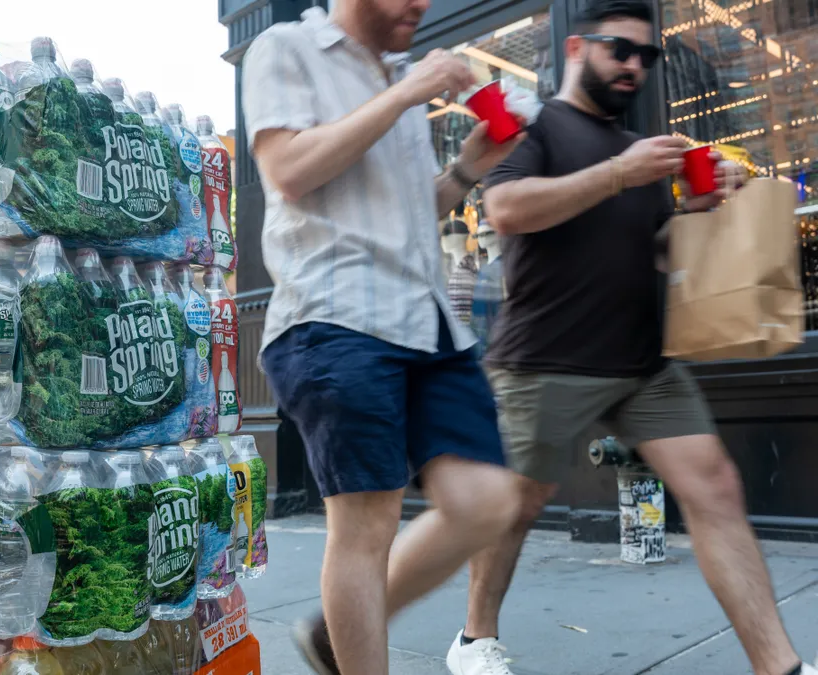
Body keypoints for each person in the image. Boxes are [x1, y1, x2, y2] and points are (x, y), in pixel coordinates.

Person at [443, 2, 816, 675]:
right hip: (545, 356)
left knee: (717, 489)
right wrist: (619, 174)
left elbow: (658, 251)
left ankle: (779, 665)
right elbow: (504, 209)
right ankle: (474, 638)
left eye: (649, 56)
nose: (635, 66)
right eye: (622, 49)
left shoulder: (636, 150)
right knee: (517, 504)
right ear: (579, 47)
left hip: (645, 361)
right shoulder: (538, 128)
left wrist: (700, 212)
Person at [240, 2, 528, 674]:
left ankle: (330, 632)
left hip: (425, 319)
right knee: (366, 526)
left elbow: (404, 214)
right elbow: (287, 170)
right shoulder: (286, 47)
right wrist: (405, 94)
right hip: (332, 314)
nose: (422, 4)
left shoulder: (401, 73)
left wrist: (465, 171)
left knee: (489, 500)